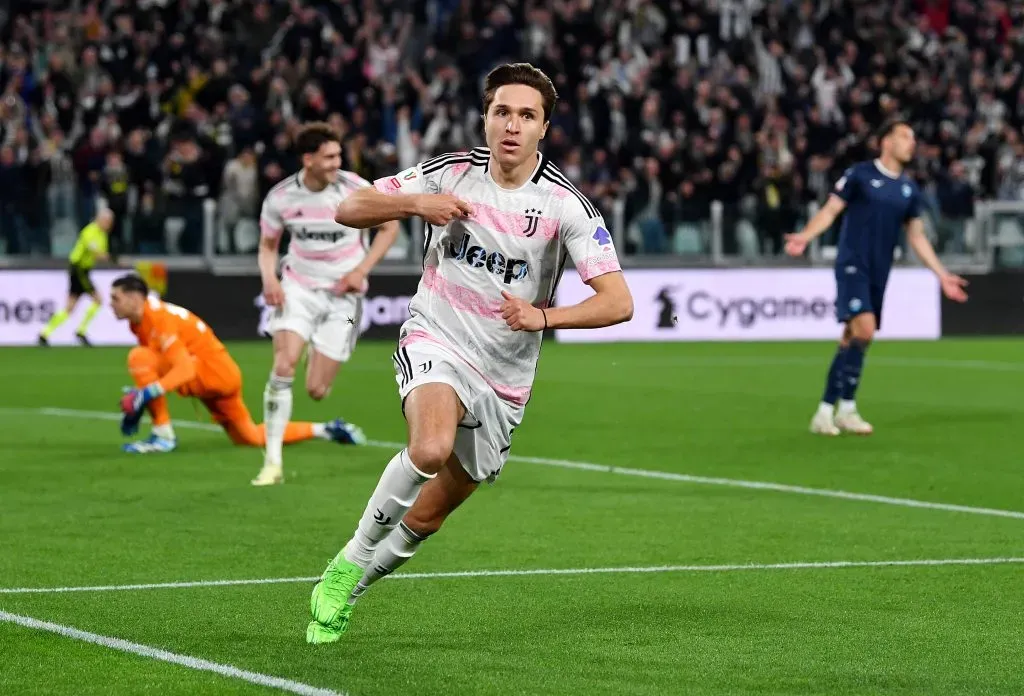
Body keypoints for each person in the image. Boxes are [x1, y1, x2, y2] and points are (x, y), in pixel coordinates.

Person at [304, 63, 634, 644]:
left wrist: (544, 317)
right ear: (485, 118)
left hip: (505, 375)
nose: (511, 124)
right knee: (428, 447)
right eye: (502, 111)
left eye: (526, 115)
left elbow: (618, 301)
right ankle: (349, 562)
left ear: (543, 129)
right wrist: (416, 205)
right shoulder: (447, 173)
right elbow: (348, 207)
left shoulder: (566, 206)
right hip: (438, 336)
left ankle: (350, 593)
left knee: (427, 517)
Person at [785, 121, 969, 435]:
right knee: (865, 329)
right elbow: (831, 210)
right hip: (852, 263)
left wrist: (942, 274)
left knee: (852, 338)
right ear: (886, 141)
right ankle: (846, 409)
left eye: (913, 137)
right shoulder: (860, 175)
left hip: (880, 269)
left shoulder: (909, 189)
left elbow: (918, 237)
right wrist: (806, 236)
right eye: (904, 136)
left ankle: (830, 411)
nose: (911, 143)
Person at [256, 122, 399, 487]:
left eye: (339, 155)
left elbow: (390, 227)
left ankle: (313, 347)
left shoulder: (356, 189)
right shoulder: (281, 197)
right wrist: (270, 279)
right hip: (299, 288)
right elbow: (269, 245)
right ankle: (272, 462)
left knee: (317, 390)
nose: (339, 161)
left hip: (344, 297)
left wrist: (362, 270)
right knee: (282, 366)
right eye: (330, 156)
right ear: (308, 159)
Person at [110, 274, 365, 456]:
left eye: (116, 298)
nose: (111, 305)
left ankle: (163, 435)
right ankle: (326, 430)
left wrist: (146, 394)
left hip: (210, 374)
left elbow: (184, 369)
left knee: (138, 358)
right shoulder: (141, 320)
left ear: (134, 298)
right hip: (221, 375)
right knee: (250, 438)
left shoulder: (158, 318)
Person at [38, 208, 115, 346]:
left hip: (83, 270)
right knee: (98, 299)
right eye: (107, 221)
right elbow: (97, 252)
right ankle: (81, 331)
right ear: (101, 219)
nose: (109, 225)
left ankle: (45, 333)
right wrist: (113, 259)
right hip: (79, 269)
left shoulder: (102, 234)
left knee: (70, 307)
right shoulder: (90, 231)